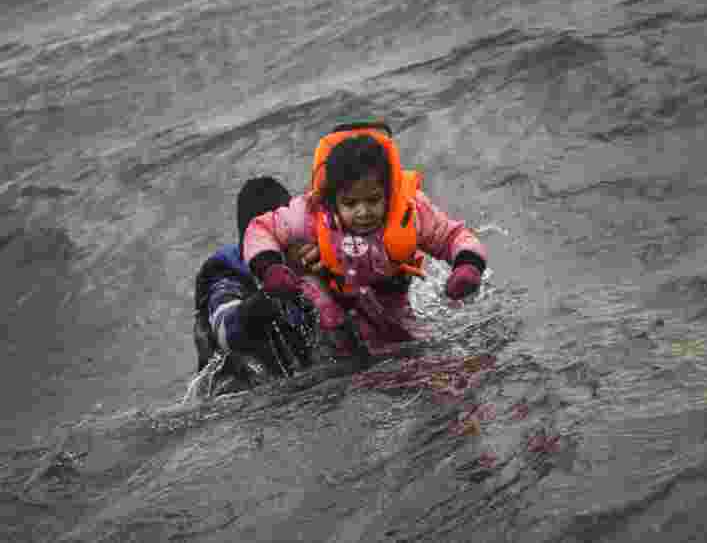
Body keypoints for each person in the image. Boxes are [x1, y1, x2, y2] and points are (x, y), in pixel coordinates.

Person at [242, 122, 488, 358]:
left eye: (373, 200)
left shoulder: (410, 212)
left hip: (389, 296)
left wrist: (467, 267)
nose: (363, 212)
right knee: (339, 339)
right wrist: (271, 268)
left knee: (412, 345)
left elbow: (453, 235)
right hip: (332, 302)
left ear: (388, 193)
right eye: (350, 203)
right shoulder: (310, 212)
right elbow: (260, 229)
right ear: (332, 199)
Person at [192, 177, 317, 390]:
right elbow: (224, 325)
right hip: (238, 384)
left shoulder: (303, 250)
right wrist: (266, 298)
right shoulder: (225, 272)